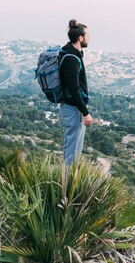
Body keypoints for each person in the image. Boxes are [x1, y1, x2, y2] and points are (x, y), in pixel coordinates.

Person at [59, 19, 92, 166]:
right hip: (73, 109)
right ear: (80, 38)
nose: (89, 38)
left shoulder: (69, 52)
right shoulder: (72, 58)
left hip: (69, 107)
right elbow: (74, 89)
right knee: (74, 151)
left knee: (70, 146)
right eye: (87, 35)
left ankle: (65, 179)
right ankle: (69, 184)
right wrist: (85, 112)